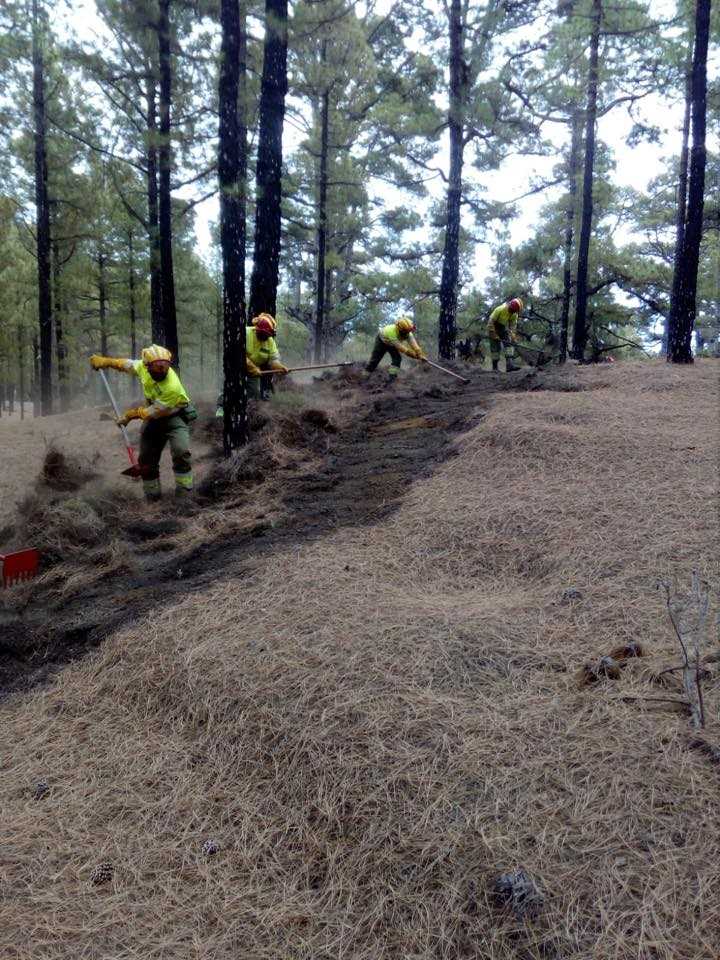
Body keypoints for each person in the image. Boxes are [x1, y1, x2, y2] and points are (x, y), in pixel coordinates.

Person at [90, 345, 196, 501]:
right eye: (157, 367)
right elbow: (125, 364)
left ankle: (184, 495)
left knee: (181, 451)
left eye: (165, 366)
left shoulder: (172, 387)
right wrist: (106, 362)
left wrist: (129, 416)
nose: (162, 370)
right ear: (147, 366)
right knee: (146, 459)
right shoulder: (142, 367)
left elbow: (152, 411)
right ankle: (152, 498)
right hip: (154, 419)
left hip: (174, 416)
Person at [215, 313, 289, 415]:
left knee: (254, 393)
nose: (266, 337)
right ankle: (221, 408)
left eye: (268, 335)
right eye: (264, 334)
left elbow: (273, 360)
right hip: (235, 366)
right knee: (229, 387)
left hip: (253, 372)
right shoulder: (245, 333)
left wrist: (280, 367)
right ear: (257, 330)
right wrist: (253, 368)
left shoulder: (270, 342)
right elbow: (239, 354)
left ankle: (247, 411)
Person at [488, 297, 523, 372]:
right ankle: (495, 368)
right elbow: (490, 322)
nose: (513, 312)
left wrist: (513, 336)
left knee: (508, 345)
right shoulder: (500, 309)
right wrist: (494, 334)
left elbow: (512, 326)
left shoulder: (514, 314)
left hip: (502, 328)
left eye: (514, 311)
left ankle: (510, 366)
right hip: (493, 327)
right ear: (510, 306)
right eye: (512, 310)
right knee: (495, 348)